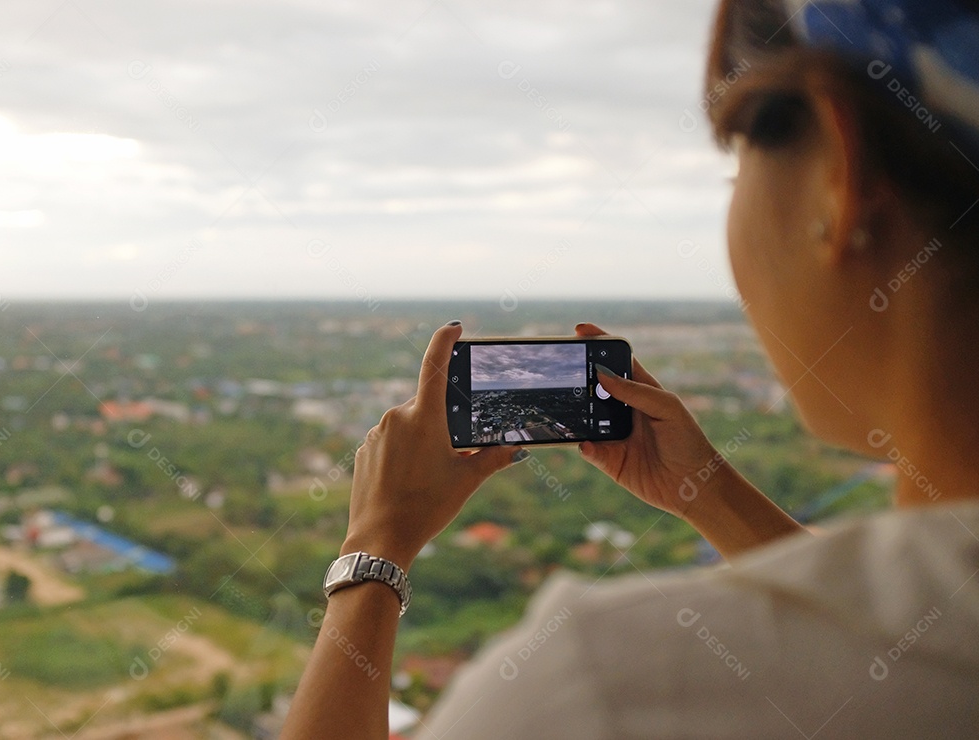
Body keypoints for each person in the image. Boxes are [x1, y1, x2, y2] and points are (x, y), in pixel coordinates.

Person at [282, 0, 979, 736]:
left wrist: (373, 553)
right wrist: (706, 493)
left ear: (842, 177)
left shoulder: (605, 687)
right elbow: (901, 626)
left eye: (735, 166)